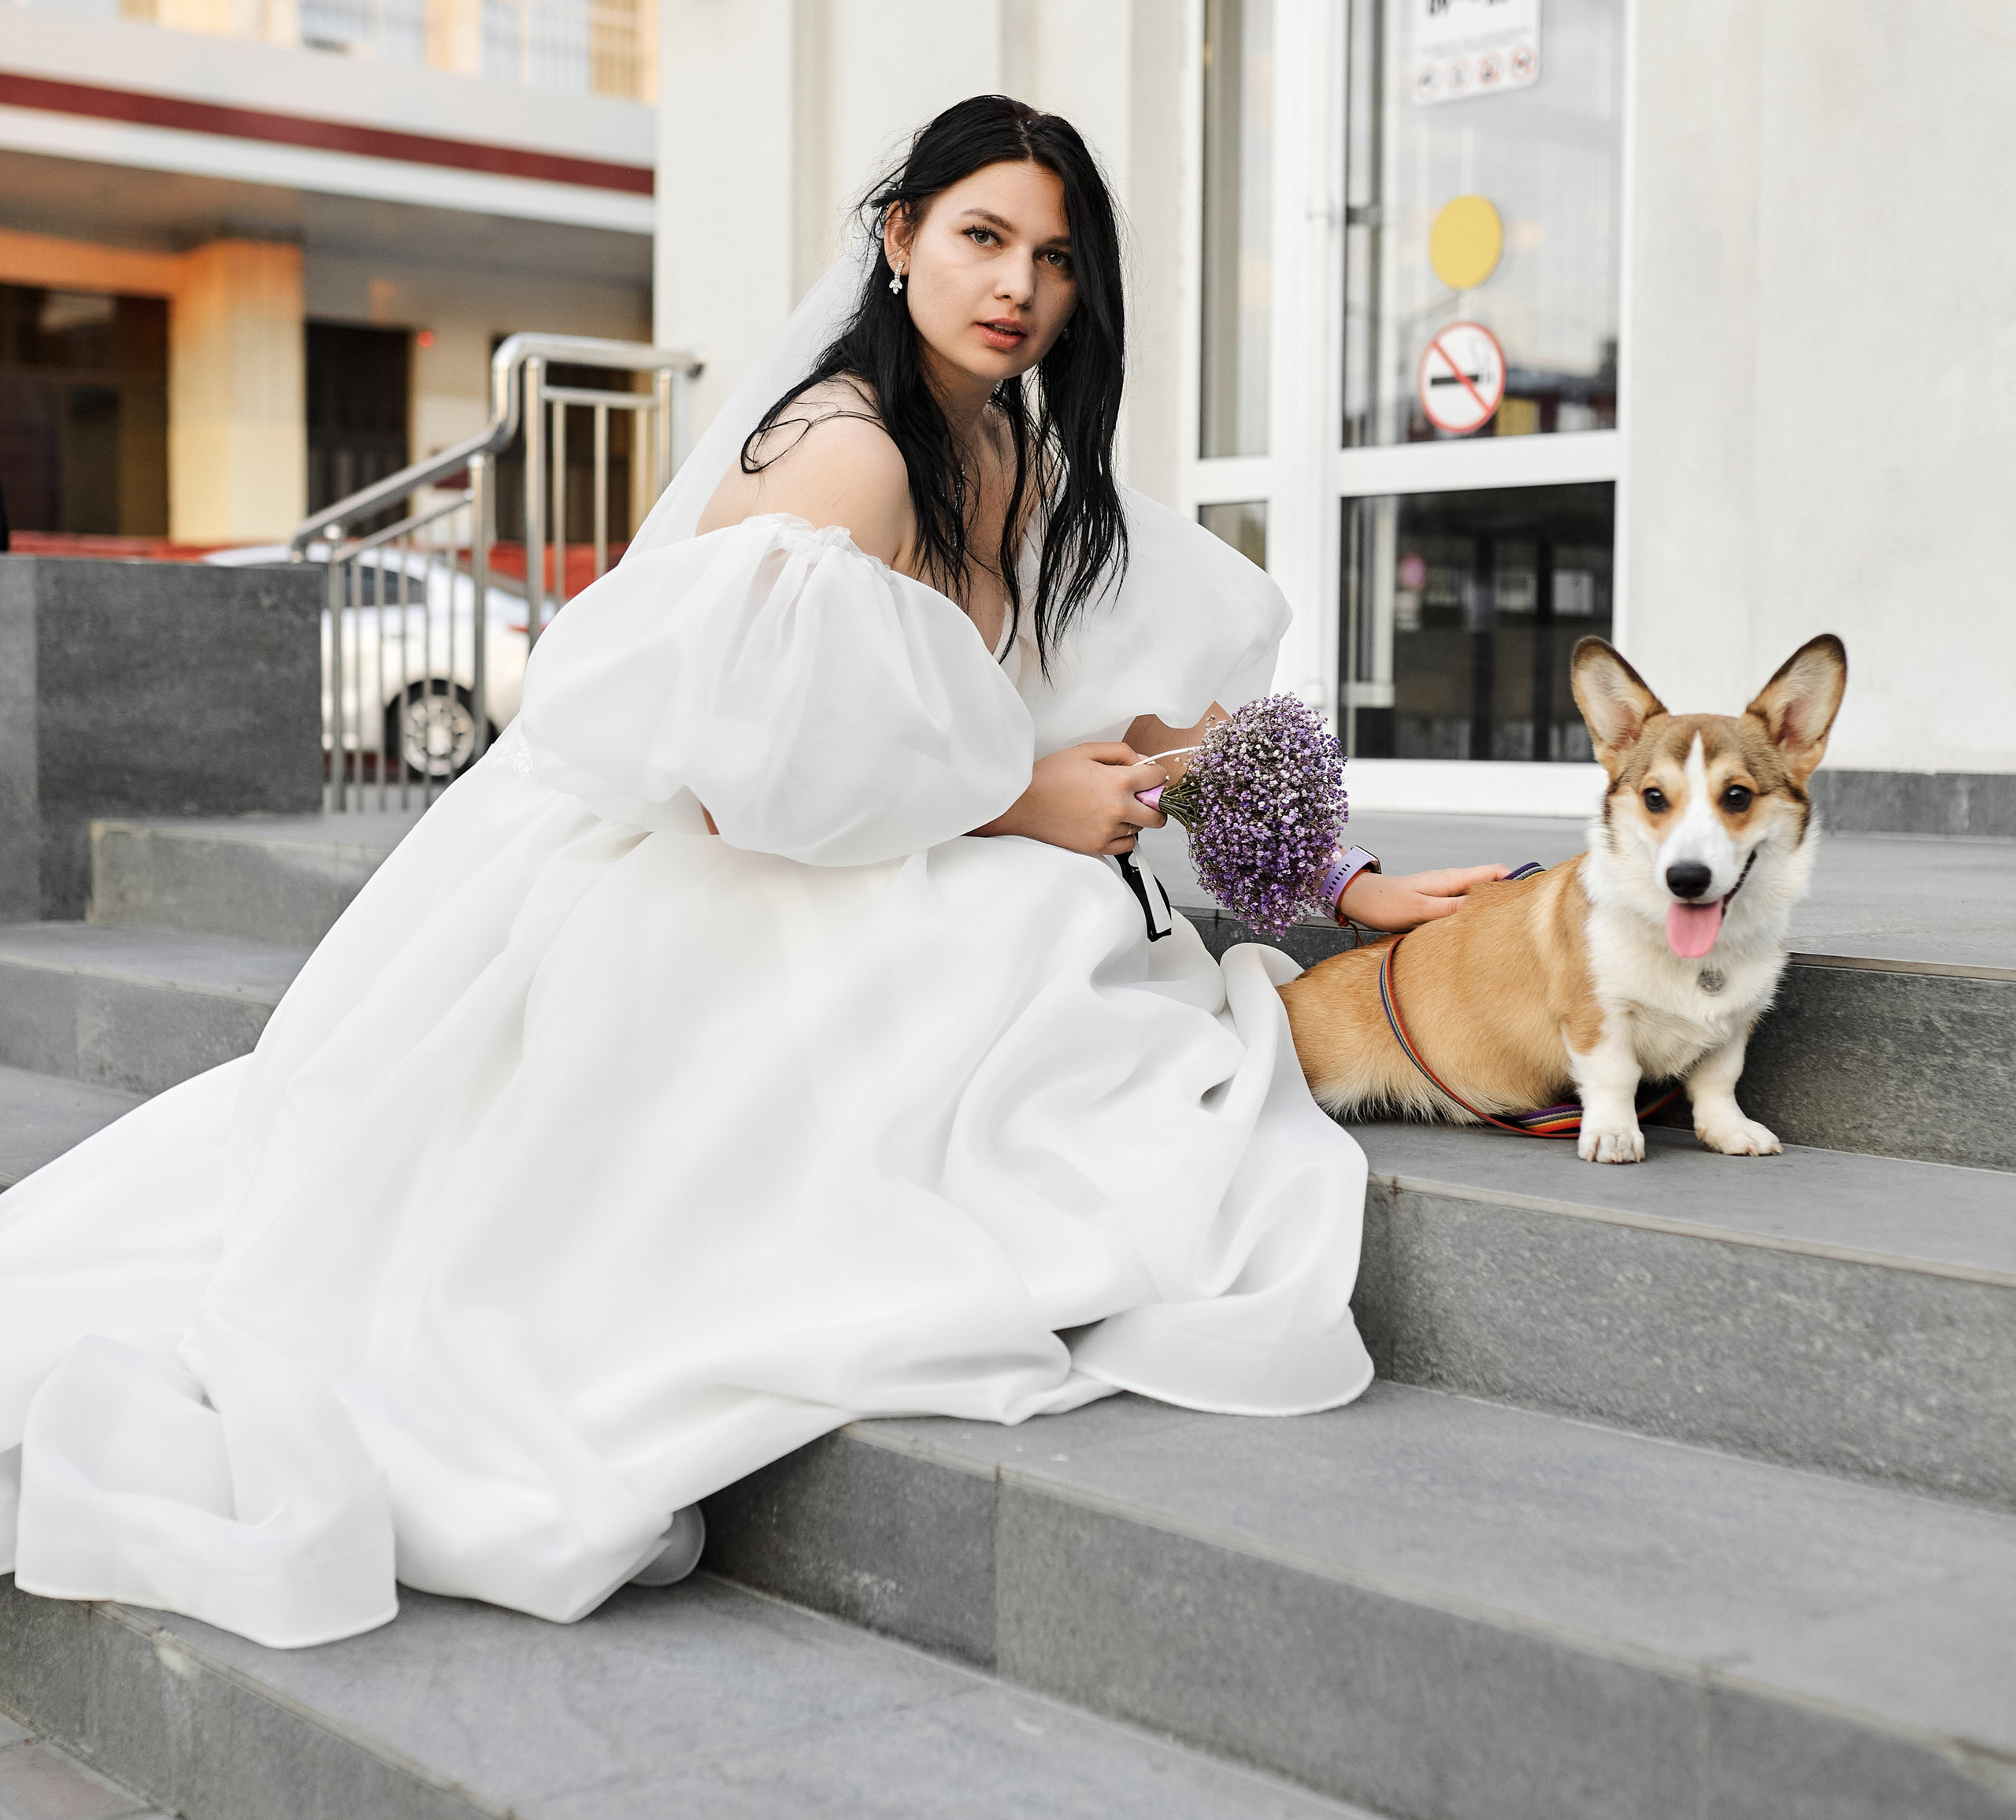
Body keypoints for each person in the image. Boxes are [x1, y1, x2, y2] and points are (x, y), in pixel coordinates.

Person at [0, 97, 1499, 1651]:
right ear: (899, 237)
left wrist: (1342, 881)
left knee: (1054, 919)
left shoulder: (1013, 444)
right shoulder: (845, 457)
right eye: (981, 236)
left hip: (872, 854)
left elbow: (1156, 709)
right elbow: (736, 792)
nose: (1017, 286)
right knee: (1035, 924)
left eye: (1054, 258)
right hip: (714, 884)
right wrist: (1017, 800)